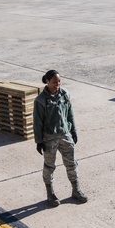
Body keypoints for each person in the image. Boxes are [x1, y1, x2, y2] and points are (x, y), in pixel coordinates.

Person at [33, 70, 87, 206]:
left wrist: (73, 130)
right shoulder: (40, 100)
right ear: (47, 81)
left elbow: (70, 114)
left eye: (59, 82)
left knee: (71, 164)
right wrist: (39, 141)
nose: (57, 84)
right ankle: (50, 193)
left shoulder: (65, 94)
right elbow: (37, 122)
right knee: (49, 166)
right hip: (49, 139)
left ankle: (76, 190)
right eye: (54, 82)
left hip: (65, 135)